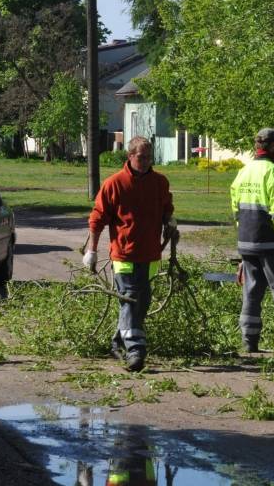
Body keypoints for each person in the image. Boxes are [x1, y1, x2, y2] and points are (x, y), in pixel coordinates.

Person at [85, 136, 174, 373]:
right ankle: (135, 350)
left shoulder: (159, 183)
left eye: (148, 157)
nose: (145, 162)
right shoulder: (114, 184)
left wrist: (170, 222)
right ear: (130, 156)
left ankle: (117, 341)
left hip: (150, 254)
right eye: (140, 157)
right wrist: (91, 251)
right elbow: (97, 219)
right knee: (130, 299)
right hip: (123, 255)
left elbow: (166, 208)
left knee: (140, 304)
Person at [229, 128, 274, 355]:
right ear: (272, 147)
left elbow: (236, 210)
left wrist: (244, 238)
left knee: (251, 291)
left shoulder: (243, 172)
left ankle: (249, 341)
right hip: (270, 243)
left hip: (247, 242)